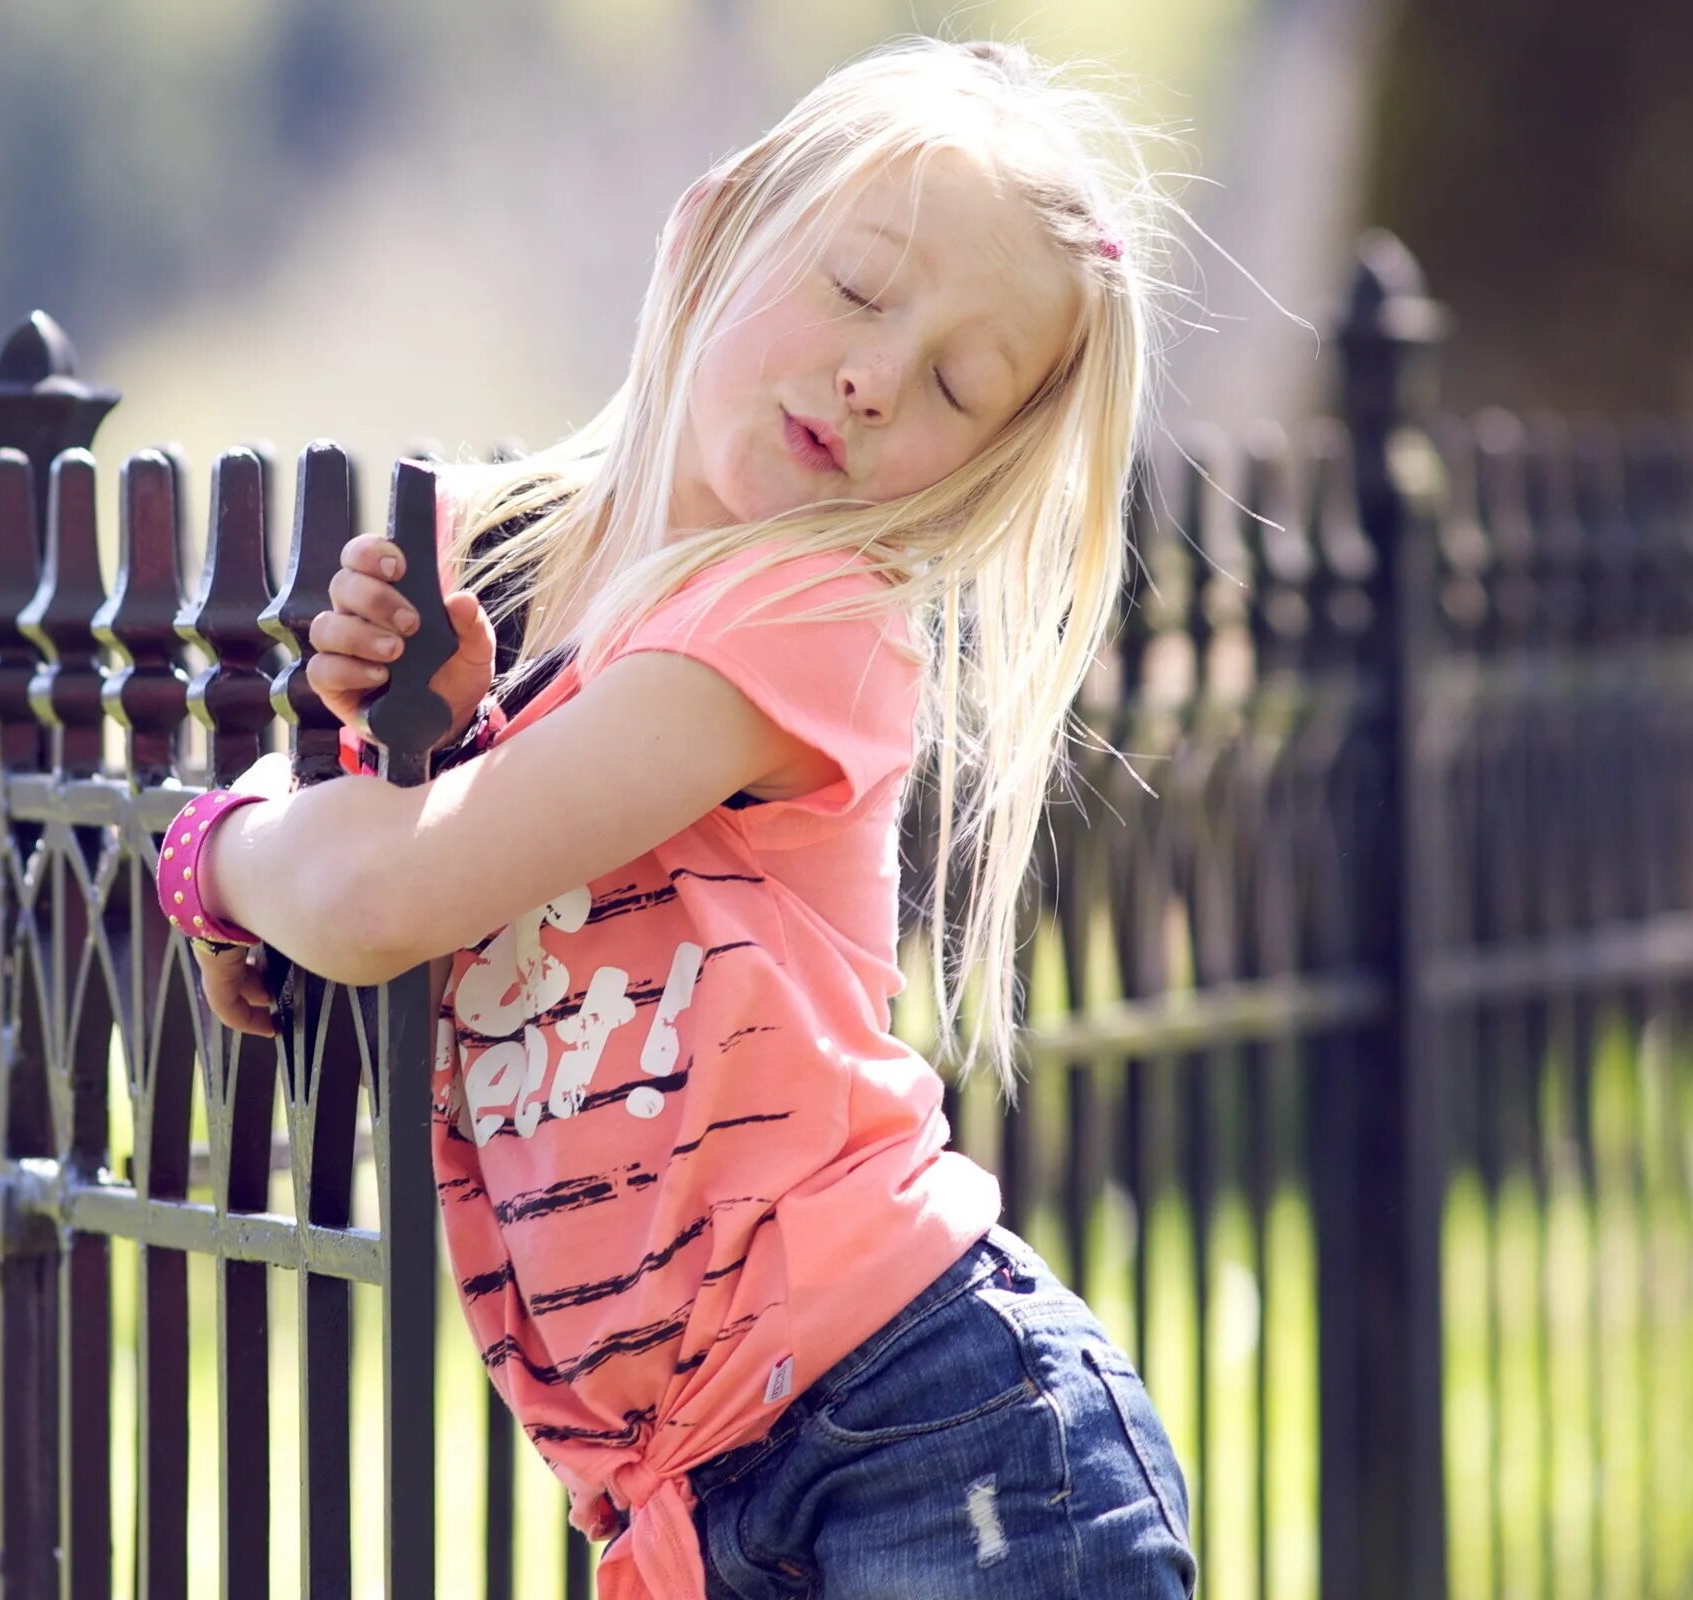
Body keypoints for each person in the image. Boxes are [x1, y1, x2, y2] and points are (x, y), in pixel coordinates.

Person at [152, 35, 1198, 1600]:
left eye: (954, 388)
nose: (874, 374)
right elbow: (413, 896)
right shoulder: (507, 575)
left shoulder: (805, 616)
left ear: (970, 472)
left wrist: (219, 851)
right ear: (709, 230)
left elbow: (387, 896)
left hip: (933, 1431)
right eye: (858, 290)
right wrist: (348, 822)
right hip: (704, 1484)